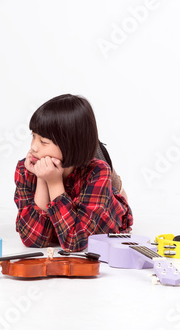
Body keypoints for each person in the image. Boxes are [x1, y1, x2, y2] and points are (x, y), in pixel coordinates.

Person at [14, 94, 133, 252]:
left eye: (43, 142)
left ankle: (112, 181)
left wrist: (55, 183)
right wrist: (43, 178)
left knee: (114, 191)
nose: (34, 147)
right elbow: (33, 240)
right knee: (100, 179)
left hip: (107, 211)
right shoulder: (26, 168)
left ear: (69, 145)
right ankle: (93, 155)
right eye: (33, 136)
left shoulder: (98, 172)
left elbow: (75, 242)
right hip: (72, 195)